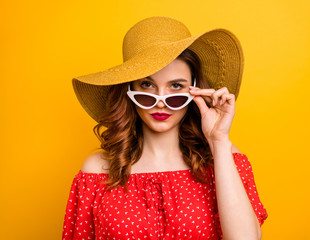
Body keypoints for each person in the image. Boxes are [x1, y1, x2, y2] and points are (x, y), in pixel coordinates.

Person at [62, 16, 268, 240]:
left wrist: (218, 141)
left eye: (176, 86)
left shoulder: (225, 160)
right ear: (129, 90)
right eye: (147, 85)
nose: (161, 101)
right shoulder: (98, 171)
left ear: (195, 90)